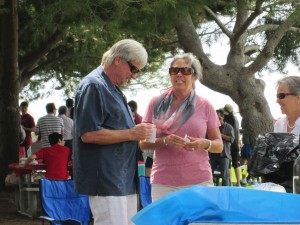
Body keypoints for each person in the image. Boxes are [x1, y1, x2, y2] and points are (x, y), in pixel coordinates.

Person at [73, 39, 152, 225]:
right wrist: (133, 133)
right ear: (118, 60)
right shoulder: (94, 85)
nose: (134, 76)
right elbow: (89, 134)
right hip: (107, 180)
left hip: (122, 179)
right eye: (133, 69)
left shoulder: (112, 89)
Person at [139, 53, 223, 202]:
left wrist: (204, 143)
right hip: (163, 182)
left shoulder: (205, 105)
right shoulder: (155, 103)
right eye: (174, 70)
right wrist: (164, 141)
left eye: (185, 71)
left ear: (194, 77)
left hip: (199, 181)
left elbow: (219, 145)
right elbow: (144, 143)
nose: (179, 74)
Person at [209, 109, 235, 186]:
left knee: (225, 176)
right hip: (213, 153)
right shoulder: (212, 127)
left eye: (219, 118)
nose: (217, 120)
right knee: (209, 174)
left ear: (223, 117)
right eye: (215, 118)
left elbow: (232, 139)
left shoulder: (229, 127)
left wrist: (220, 135)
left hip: (224, 154)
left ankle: (225, 193)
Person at [223, 103, 241, 186]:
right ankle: (238, 182)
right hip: (236, 143)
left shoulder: (226, 121)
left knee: (229, 165)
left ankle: (230, 183)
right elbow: (237, 132)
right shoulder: (236, 119)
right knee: (236, 164)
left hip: (229, 144)